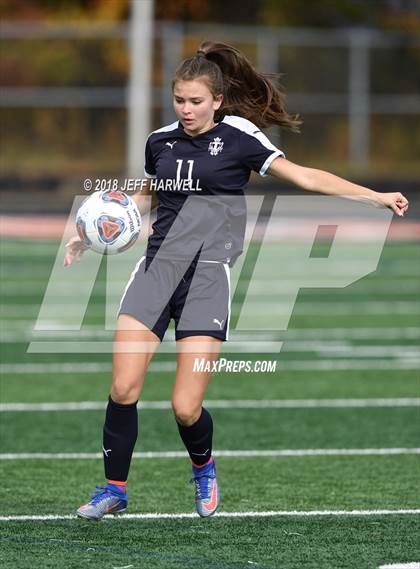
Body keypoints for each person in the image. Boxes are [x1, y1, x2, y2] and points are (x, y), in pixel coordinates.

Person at [65, 40, 409, 521]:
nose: (186, 110)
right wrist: (91, 232)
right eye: (180, 100)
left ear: (218, 100)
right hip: (156, 270)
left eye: (196, 101)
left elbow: (304, 176)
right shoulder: (160, 141)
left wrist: (374, 196)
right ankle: (114, 489)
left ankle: (204, 466)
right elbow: (142, 198)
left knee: (185, 407)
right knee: (123, 388)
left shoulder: (241, 136)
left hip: (207, 277)